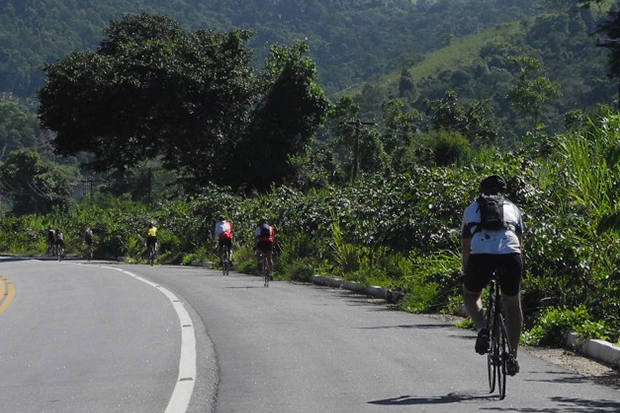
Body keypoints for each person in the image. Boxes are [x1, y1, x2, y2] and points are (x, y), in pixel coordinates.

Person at [461, 175, 524, 376]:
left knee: (470, 294)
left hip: (481, 257)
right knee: (513, 305)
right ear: (503, 192)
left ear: (481, 191)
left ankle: (482, 330)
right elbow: (519, 242)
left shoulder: (471, 209)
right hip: (511, 255)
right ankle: (512, 356)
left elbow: (466, 249)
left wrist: (467, 273)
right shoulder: (513, 208)